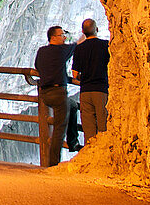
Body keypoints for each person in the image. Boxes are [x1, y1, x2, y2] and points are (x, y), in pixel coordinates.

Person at [34, 25, 79, 166]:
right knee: (59, 130)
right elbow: (78, 44)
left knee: (72, 105)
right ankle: (53, 164)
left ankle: (73, 142)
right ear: (53, 37)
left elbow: (38, 67)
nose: (64, 38)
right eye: (61, 35)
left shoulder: (41, 51)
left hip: (45, 93)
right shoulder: (61, 50)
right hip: (58, 93)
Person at [72, 18, 110, 142]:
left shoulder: (79, 48)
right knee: (104, 126)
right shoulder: (105, 45)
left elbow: (75, 74)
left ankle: (91, 150)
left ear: (83, 31)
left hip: (86, 91)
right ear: (97, 29)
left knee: (89, 128)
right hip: (101, 90)